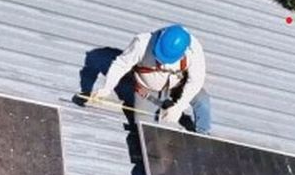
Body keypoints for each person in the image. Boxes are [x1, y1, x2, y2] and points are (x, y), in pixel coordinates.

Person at [74, 24, 211, 134]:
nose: (162, 64)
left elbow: (196, 81)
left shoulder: (194, 51)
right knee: (145, 130)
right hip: (147, 88)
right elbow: (121, 64)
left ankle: (204, 134)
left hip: (177, 86)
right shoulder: (142, 43)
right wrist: (107, 88)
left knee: (203, 103)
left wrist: (179, 107)